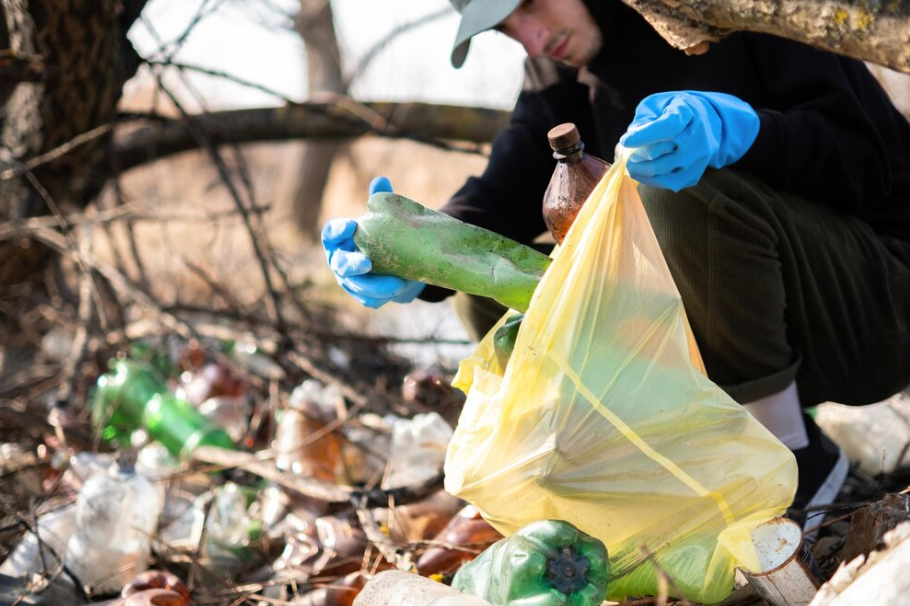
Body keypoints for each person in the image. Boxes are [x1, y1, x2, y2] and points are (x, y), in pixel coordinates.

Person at [323, 0, 910, 531]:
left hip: (876, 302)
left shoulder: (731, 7)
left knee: (673, 191)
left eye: (527, 4)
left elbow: (868, 159)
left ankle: (790, 459)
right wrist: (416, 250)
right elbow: (503, 193)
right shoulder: (559, 63)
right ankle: (677, 471)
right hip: (760, 316)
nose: (531, 37)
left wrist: (750, 136)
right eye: (505, 27)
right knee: (490, 286)